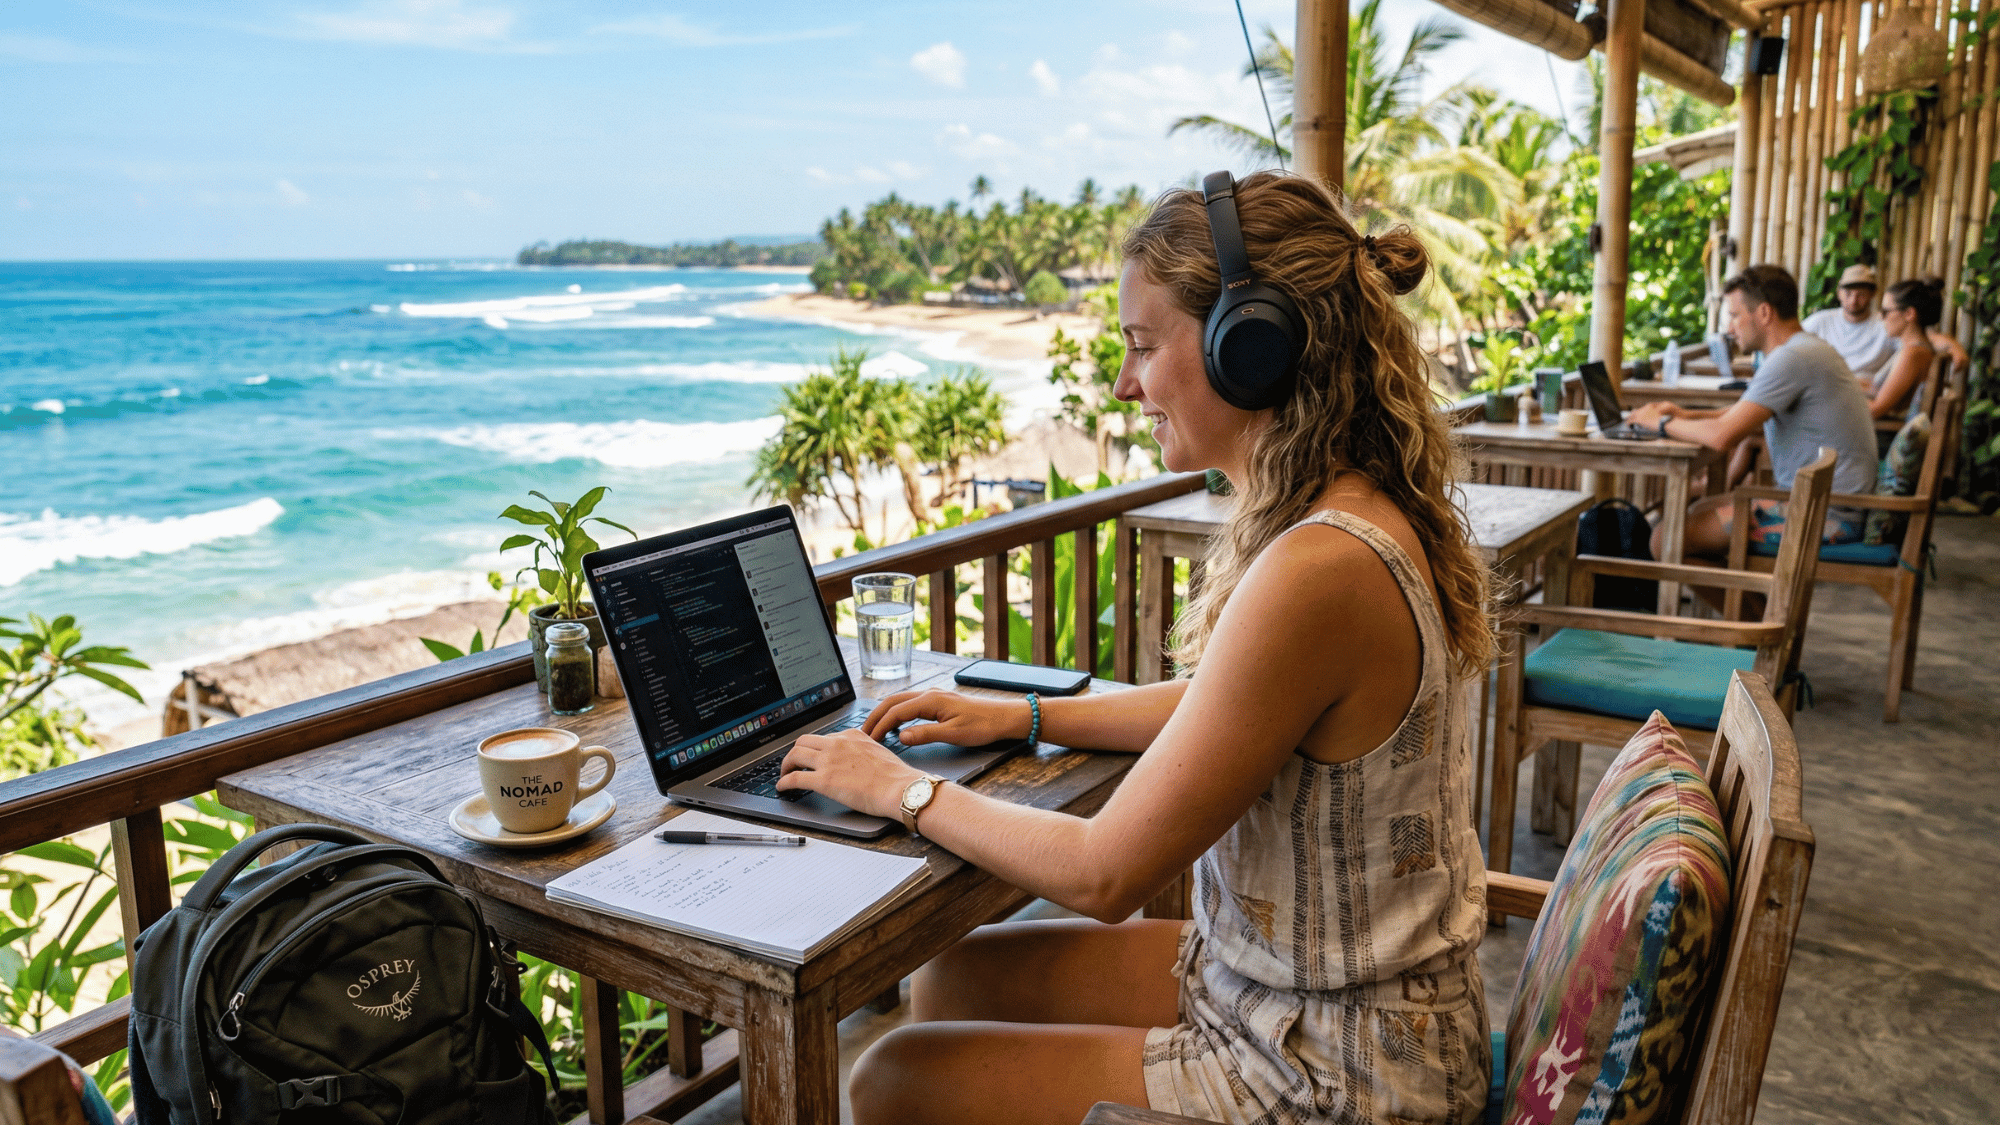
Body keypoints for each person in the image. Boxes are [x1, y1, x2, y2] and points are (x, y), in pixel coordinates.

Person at [776, 170, 1497, 1125]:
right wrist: (1027, 714)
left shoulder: (1320, 566)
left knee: (887, 1081)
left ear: (1253, 349)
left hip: (1335, 1069)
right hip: (1292, 1000)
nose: (1125, 385)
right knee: (948, 976)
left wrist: (896, 788)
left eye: (1142, 346)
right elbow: (1226, 708)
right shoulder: (1340, 507)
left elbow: (1104, 872)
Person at [1629, 264, 1877, 561]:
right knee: (1697, 512)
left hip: (1824, 514)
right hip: (1828, 503)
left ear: (1763, 313)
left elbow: (1723, 436)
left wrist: (1659, 423)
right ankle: (1754, 608)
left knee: (1666, 539)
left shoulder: (1792, 358)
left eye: (1734, 316)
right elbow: (1741, 413)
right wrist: (1684, 414)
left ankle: (1754, 610)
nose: (1730, 328)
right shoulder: (1805, 349)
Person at [1860, 277, 1943, 421]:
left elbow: (1875, 410)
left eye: (1885, 311)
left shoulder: (1913, 354)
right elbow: (1876, 388)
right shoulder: (1915, 348)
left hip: (1885, 433)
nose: (1881, 317)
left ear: (1909, 314)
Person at [1802, 263, 1897, 380]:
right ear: (1839, 293)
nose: (1853, 301)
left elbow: (1907, 350)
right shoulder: (1820, 321)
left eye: (1861, 295)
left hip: (1867, 392)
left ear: (1872, 294)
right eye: (1848, 294)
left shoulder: (1886, 324)